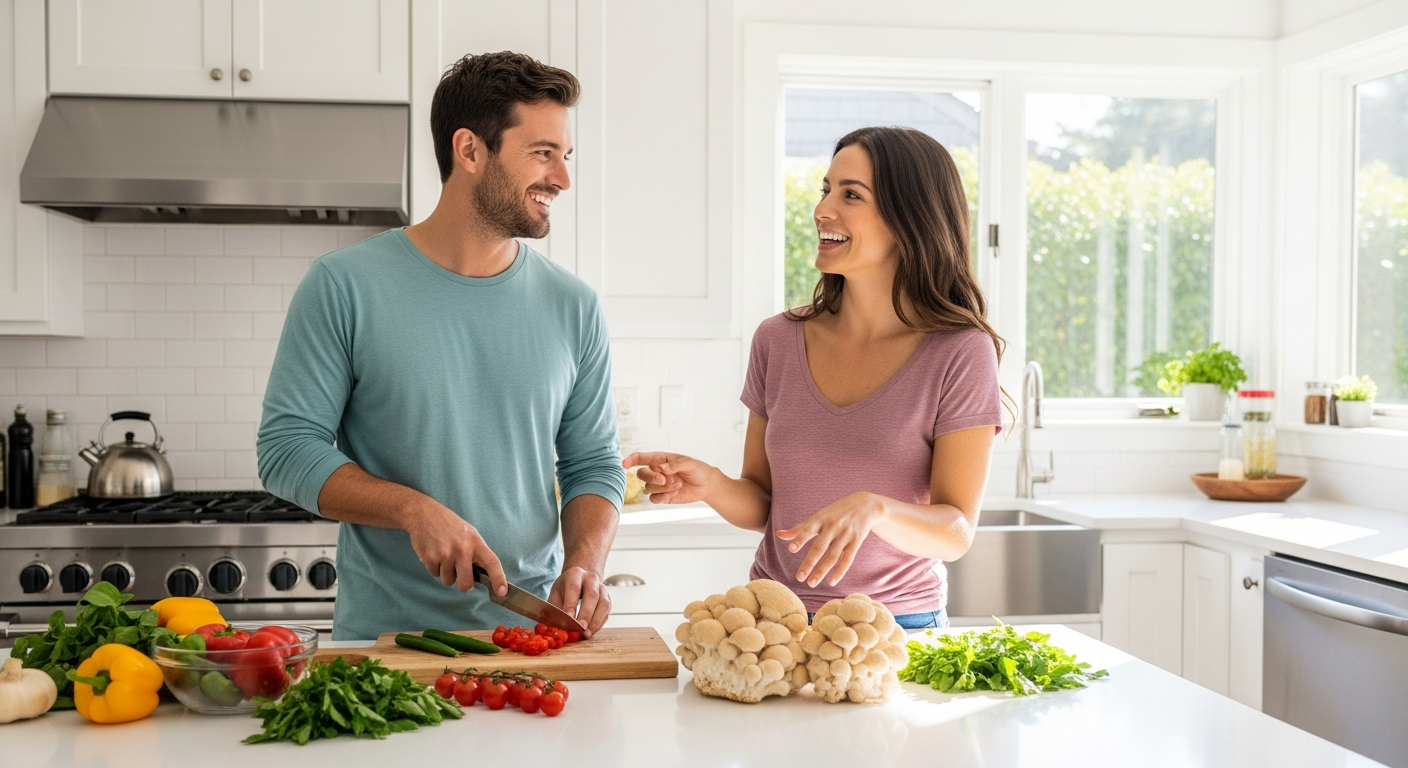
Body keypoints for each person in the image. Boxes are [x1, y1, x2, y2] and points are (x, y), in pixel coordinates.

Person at [257, 52, 625, 641]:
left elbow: (594, 464)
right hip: (385, 650)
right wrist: (413, 510)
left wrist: (585, 562)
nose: (562, 178)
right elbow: (286, 450)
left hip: (531, 643)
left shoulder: (573, 305)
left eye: (565, 155)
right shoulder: (343, 285)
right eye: (542, 153)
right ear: (471, 151)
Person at [624, 127, 1004, 629]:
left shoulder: (958, 351)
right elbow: (764, 501)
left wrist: (878, 510)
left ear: (909, 218)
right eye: (826, 190)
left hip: (893, 629)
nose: (823, 210)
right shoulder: (778, 340)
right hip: (771, 623)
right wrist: (714, 485)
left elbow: (955, 531)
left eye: (851, 195)